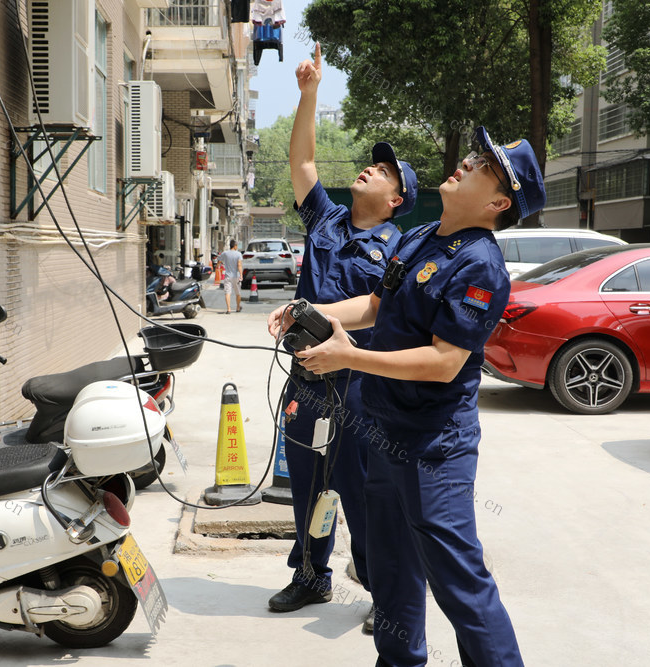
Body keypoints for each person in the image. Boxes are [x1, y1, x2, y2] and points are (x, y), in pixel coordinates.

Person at [270, 126, 545, 666]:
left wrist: (349, 358)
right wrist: (312, 313)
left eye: (484, 166)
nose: (468, 163)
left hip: (432, 448)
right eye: (474, 155)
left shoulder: (480, 264)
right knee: (393, 572)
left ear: (498, 203)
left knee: (458, 583)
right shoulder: (420, 238)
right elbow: (375, 305)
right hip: (383, 430)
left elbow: (445, 363)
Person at [266, 41, 418, 628]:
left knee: (362, 491)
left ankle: (383, 592)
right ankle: (311, 575)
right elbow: (303, 163)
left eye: (383, 171)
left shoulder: (400, 248)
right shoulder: (326, 219)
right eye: (372, 163)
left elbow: (378, 312)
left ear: (395, 200)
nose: (370, 168)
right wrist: (309, 95)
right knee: (308, 483)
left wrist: (314, 311)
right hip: (308, 376)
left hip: (358, 383)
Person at [218, 239, 243, 313]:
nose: (237, 247)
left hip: (228, 276)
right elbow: (239, 265)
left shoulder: (225, 253)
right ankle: (238, 307)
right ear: (235, 246)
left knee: (227, 292)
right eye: (236, 246)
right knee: (238, 293)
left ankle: (228, 309)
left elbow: (219, 260)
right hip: (236, 276)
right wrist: (241, 275)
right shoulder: (238, 254)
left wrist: (218, 266)